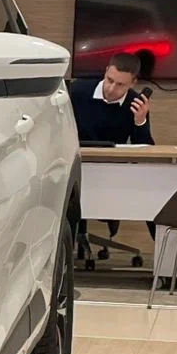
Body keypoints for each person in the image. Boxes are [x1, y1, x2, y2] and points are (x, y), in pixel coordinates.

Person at [69, 52, 155, 251]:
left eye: (120, 85)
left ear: (133, 83)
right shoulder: (77, 91)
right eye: (109, 80)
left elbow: (146, 149)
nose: (111, 88)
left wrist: (140, 121)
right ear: (106, 71)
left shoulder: (136, 104)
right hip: (76, 166)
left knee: (153, 194)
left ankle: (167, 261)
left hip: (112, 173)